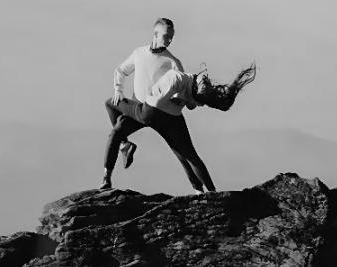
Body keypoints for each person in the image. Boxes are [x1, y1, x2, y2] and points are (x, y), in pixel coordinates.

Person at [102, 19, 256, 193]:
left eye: (171, 38)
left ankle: (199, 190)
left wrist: (182, 100)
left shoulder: (173, 62)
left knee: (181, 155)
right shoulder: (139, 53)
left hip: (156, 111)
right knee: (116, 131)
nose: (169, 41)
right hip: (139, 107)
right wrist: (118, 89)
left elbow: (185, 96)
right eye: (166, 37)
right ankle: (108, 175)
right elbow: (121, 71)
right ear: (155, 34)